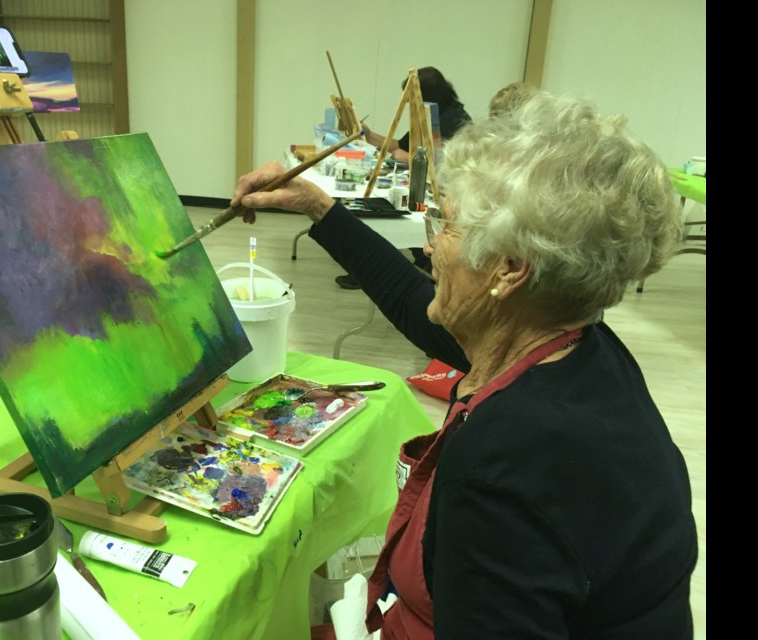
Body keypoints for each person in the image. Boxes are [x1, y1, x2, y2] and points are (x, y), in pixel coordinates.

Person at [231, 91, 698, 638]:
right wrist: (317, 206)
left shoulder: (504, 462)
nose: (430, 248)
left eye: (447, 226)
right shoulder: (579, 343)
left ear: (509, 270)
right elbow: (413, 302)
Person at [336, 66, 473, 290]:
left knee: (392, 218)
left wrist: (409, 157)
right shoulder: (429, 114)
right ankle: (418, 261)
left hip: (447, 191)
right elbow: (398, 147)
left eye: (411, 99)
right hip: (427, 185)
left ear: (426, 96)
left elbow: (442, 163)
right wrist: (369, 136)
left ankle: (378, 268)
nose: (409, 105)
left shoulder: (453, 120)